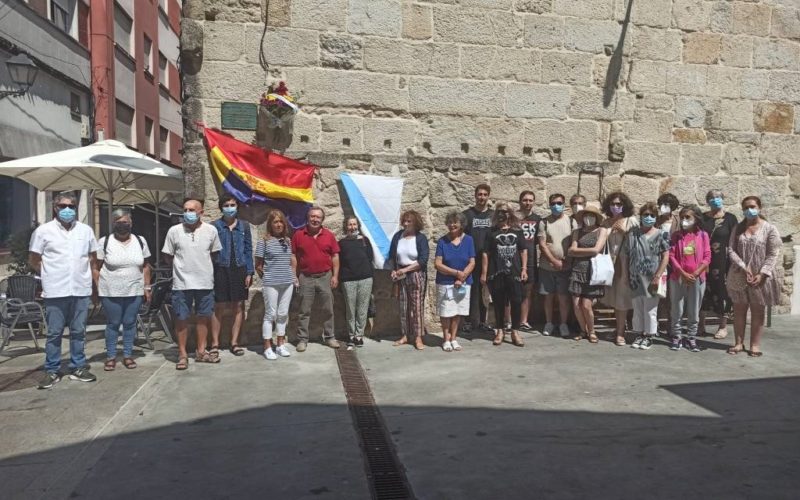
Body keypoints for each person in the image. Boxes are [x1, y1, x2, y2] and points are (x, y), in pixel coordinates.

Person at [29, 192, 98, 388]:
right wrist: (50, 274)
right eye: (63, 206)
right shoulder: (43, 231)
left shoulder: (85, 230)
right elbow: (34, 259)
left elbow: (92, 258)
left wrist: (92, 284)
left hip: (80, 288)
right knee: (54, 333)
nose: (67, 210)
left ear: (76, 208)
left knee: (78, 331)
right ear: (55, 208)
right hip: (56, 289)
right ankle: (52, 370)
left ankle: (78, 366)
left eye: (71, 206)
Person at [162, 198, 222, 370]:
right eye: (186, 209)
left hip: (204, 282)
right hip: (181, 283)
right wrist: (182, 268)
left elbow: (215, 254)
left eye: (192, 210)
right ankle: (182, 354)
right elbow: (168, 255)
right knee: (181, 318)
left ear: (201, 212)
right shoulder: (174, 231)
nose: (188, 213)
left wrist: (201, 267)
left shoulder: (211, 230)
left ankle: (201, 351)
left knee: (203, 318)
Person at [95, 209, 152, 371]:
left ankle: (128, 355)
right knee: (113, 324)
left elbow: (146, 266)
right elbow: (96, 268)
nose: (122, 225)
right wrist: (98, 288)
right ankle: (111, 356)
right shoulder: (104, 242)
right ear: (113, 224)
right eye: (118, 222)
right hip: (110, 291)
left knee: (129, 323)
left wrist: (147, 287)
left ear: (131, 223)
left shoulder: (140, 241)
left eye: (125, 222)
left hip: (134, 290)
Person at [726, 196, 782, 357]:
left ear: (759, 207)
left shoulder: (769, 229)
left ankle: (755, 345)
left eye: (752, 206)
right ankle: (738, 343)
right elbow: (730, 249)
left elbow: (773, 253)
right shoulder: (738, 228)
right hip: (740, 274)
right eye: (745, 207)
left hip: (760, 276)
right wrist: (743, 267)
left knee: (758, 311)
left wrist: (763, 273)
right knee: (739, 309)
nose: (749, 210)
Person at [292, 206, 341, 351]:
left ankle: (330, 337)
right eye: (312, 216)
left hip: (325, 276)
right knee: (304, 310)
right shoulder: (298, 235)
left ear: (322, 219)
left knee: (328, 309)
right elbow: (293, 256)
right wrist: (294, 275)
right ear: (308, 218)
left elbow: (335, 256)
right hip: (305, 277)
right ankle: (302, 340)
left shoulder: (329, 235)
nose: (315, 219)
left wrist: (335, 276)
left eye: (318, 217)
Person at [211, 195, 254, 359]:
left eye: (233, 205)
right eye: (226, 205)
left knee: (238, 306)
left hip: (239, 268)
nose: (230, 208)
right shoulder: (214, 226)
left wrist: (249, 272)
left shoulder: (244, 226)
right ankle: (214, 343)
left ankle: (234, 343)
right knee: (219, 306)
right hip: (220, 268)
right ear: (221, 208)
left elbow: (248, 249)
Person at [624, 203, 670, 350]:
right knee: (637, 308)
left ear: (656, 218)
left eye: (652, 215)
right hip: (635, 277)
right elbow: (626, 255)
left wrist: (657, 276)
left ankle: (649, 335)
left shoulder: (661, 234)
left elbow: (665, 256)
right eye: (645, 215)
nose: (648, 218)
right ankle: (638, 333)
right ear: (641, 216)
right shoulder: (632, 234)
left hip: (652, 277)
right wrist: (625, 275)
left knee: (650, 309)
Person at [482, 202, 527, 347]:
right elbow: (485, 253)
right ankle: (500, 330)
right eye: (500, 211)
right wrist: (484, 273)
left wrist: (524, 269)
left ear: (510, 214)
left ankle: (515, 331)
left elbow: (523, 250)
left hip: (514, 272)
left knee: (516, 301)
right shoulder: (491, 232)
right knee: (499, 303)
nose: (503, 214)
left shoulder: (517, 231)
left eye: (506, 211)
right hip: (497, 272)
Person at [255, 210, 296, 360]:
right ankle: (267, 346)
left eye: (280, 222)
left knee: (283, 313)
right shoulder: (264, 241)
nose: (278, 224)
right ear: (270, 225)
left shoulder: (287, 241)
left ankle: (280, 344)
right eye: (275, 222)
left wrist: (292, 276)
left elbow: (291, 261)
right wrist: (268, 276)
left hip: (287, 282)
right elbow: (258, 264)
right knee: (270, 314)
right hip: (271, 283)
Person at [668, 205, 711, 352]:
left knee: (694, 309)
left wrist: (696, 273)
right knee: (677, 309)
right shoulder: (676, 236)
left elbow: (707, 256)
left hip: (697, 278)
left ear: (696, 219)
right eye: (682, 217)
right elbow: (672, 256)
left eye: (688, 217)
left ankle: (691, 337)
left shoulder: (703, 235)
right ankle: (677, 336)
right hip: (678, 277)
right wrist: (682, 273)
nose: (684, 220)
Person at [601, 191, 639, 346]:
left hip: (626, 264)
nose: (616, 207)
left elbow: (638, 243)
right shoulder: (606, 222)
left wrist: (625, 233)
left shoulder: (631, 221)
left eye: (619, 204)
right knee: (616, 298)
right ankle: (619, 328)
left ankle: (621, 333)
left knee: (623, 299)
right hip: (610, 263)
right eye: (613, 204)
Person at [388, 210, 429, 350]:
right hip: (400, 273)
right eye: (404, 221)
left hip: (416, 273)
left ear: (416, 222)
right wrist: (394, 270)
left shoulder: (420, 238)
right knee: (403, 306)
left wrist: (405, 270)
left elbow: (423, 260)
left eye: (409, 221)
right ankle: (405, 335)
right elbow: (393, 256)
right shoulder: (398, 236)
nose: (406, 224)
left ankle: (418, 337)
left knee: (416, 307)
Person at [434, 211, 475, 352]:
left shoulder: (469, 240)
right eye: (450, 222)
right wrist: (456, 273)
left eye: (455, 222)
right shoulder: (442, 241)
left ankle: (454, 338)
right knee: (446, 311)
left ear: (461, 224)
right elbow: (438, 264)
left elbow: (472, 261)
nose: (452, 225)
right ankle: (445, 339)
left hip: (463, 282)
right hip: (445, 282)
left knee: (457, 311)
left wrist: (461, 277)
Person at [699, 190, 738, 339]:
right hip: (703, 261)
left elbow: (736, 240)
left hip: (723, 262)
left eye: (718, 197)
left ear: (723, 199)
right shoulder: (702, 218)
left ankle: (722, 326)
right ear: (707, 201)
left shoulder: (730, 219)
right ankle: (700, 325)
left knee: (723, 292)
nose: (715, 200)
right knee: (702, 292)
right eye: (711, 198)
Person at [567, 205, 608, 343]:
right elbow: (570, 250)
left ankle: (592, 331)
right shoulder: (577, 232)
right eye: (585, 215)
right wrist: (587, 251)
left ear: (596, 218)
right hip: (577, 270)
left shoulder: (601, 230)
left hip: (593, 271)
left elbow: (597, 250)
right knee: (576, 304)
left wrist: (578, 251)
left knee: (586, 305)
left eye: (591, 215)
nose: (588, 218)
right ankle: (582, 330)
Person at [537, 193, 576, 338]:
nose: (556, 206)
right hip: (547, 266)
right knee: (548, 296)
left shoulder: (571, 222)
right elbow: (542, 244)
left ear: (564, 205)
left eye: (559, 203)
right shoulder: (544, 222)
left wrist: (566, 260)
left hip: (565, 266)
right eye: (553, 203)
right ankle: (549, 323)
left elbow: (574, 242)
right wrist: (553, 260)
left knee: (563, 297)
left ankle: (563, 324)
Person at [462, 183, 494, 334]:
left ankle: (483, 321)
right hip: (471, 259)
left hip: (488, 259)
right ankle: (468, 321)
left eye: (484, 195)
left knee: (485, 291)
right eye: (479, 194)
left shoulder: (493, 215)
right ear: (475, 196)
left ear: (488, 196)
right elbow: (461, 236)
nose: (482, 197)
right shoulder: (467, 215)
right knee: (470, 290)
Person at [338, 216, 374, 348]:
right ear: (346, 227)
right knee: (350, 309)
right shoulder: (341, 243)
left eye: (354, 224)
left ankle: (359, 336)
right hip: (348, 280)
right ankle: (351, 335)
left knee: (362, 308)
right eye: (349, 225)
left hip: (365, 278)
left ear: (358, 226)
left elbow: (370, 257)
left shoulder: (365, 241)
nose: (352, 227)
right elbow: (339, 261)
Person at [518, 190, 540, 331]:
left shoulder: (538, 219)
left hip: (531, 260)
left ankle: (523, 321)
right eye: (525, 200)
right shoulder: (514, 218)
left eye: (530, 200)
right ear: (520, 201)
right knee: (511, 292)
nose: (528, 203)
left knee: (527, 292)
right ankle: (509, 321)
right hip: (514, 260)